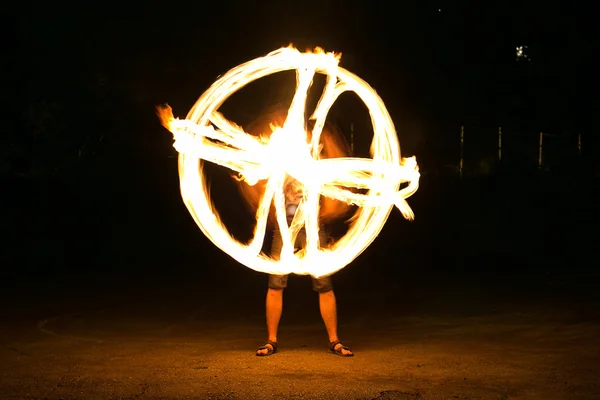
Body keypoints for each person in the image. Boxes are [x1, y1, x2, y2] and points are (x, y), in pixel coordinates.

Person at [238, 106, 354, 357]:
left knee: (324, 283)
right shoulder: (277, 152)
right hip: (285, 225)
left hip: (313, 225)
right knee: (275, 284)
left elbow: (333, 179)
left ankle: (334, 340)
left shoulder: (313, 153)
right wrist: (261, 210)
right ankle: (271, 340)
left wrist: (332, 205)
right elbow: (259, 182)